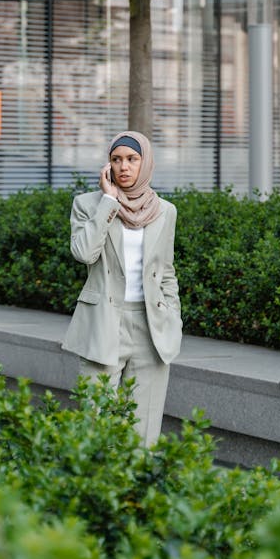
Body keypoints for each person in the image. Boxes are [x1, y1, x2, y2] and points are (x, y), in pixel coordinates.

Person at [62, 131, 182, 445]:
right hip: (103, 323)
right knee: (95, 424)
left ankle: (136, 493)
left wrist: (174, 319)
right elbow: (84, 253)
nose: (124, 167)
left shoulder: (165, 211)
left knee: (143, 434)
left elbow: (166, 272)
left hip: (151, 328)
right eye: (116, 160)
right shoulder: (88, 205)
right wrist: (108, 202)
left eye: (132, 159)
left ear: (146, 162)